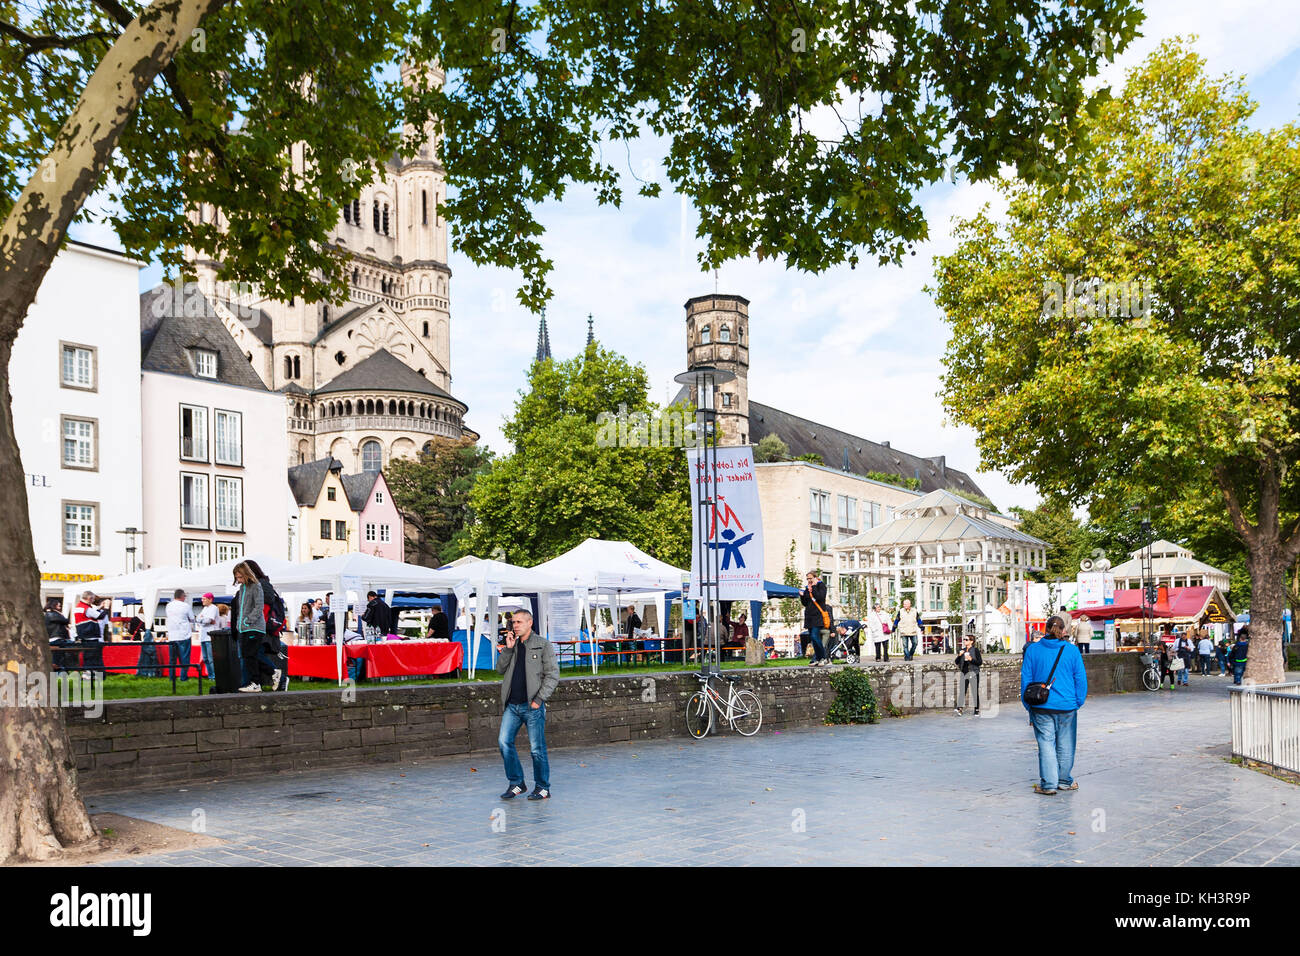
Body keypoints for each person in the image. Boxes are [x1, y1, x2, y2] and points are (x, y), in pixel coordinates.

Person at [495, 609, 559, 801]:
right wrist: (507, 648)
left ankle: (542, 787)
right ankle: (517, 783)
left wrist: (538, 700)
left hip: (532, 706)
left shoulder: (542, 645)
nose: (515, 626)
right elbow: (499, 670)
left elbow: (553, 675)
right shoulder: (511, 645)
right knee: (504, 742)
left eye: (519, 622)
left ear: (530, 623)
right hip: (512, 706)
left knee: (536, 749)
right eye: (513, 622)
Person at [1021, 615, 1088, 795]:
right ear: (1063, 630)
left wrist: (1028, 706)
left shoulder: (1033, 650)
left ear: (1045, 629)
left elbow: (1026, 679)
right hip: (1067, 705)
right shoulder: (1072, 651)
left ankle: (1049, 784)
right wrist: (1078, 702)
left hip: (1041, 705)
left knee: (1046, 744)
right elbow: (1080, 679)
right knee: (1066, 745)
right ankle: (1064, 781)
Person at [233, 561, 267, 692]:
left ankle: (257, 682)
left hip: (254, 627)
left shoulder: (256, 586)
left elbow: (259, 607)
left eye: (240, 577)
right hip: (244, 627)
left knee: (249, 655)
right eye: (237, 577)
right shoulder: (242, 588)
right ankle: (269, 674)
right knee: (249, 655)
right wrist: (240, 624)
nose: (238, 580)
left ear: (246, 574)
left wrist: (248, 620)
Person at [72, 591, 107, 678]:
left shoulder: (79, 607)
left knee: (87, 655)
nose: (93, 601)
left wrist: (99, 607)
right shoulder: (87, 608)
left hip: (83, 634)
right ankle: (92, 674)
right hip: (91, 634)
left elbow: (91, 614)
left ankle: (87, 673)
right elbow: (100, 616)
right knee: (93, 655)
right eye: (93, 599)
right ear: (89, 598)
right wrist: (106, 608)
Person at [164, 588, 196, 682]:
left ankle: (172, 678)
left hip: (172, 635)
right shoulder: (186, 606)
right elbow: (192, 619)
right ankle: (183, 677)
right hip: (184, 634)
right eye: (185, 596)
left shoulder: (168, 606)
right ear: (182, 596)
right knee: (184, 658)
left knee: (172, 659)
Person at [800, 570, 831, 666]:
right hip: (809, 616)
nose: (809, 580)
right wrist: (802, 596)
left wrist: (813, 587)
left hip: (818, 616)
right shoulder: (807, 588)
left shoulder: (820, 586)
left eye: (810, 578)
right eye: (807, 579)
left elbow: (820, 597)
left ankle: (823, 657)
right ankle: (818, 658)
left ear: (815, 577)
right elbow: (805, 603)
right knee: (813, 639)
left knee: (814, 636)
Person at [955, 633, 983, 715]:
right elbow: (956, 662)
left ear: (971, 641)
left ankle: (976, 709)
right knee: (962, 691)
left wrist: (971, 659)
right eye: (964, 639)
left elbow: (979, 662)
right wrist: (959, 656)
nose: (964, 641)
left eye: (966, 640)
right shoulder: (962, 650)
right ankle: (959, 708)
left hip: (974, 672)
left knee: (974, 691)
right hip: (964, 673)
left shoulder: (975, 650)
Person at [197, 592, 221, 680]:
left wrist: (201, 620)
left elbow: (208, 620)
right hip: (203, 636)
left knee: (211, 659)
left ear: (210, 599)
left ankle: (214, 676)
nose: (202, 600)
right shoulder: (204, 609)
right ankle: (211, 676)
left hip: (209, 637)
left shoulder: (213, 608)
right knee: (206, 659)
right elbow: (197, 619)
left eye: (204, 599)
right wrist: (202, 620)